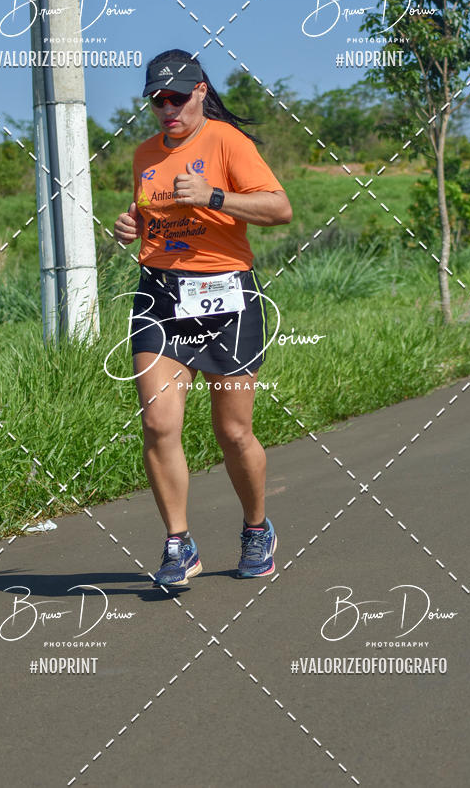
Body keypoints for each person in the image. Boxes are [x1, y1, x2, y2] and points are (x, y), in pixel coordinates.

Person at [114, 49, 292, 587]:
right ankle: (178, 543)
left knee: (233, 431)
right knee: (158, 421)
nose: (166, 108)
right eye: (156, 100)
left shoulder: (226, 141)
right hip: (160, 295)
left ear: (199, 90)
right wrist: (132, 227)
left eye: (175, 97)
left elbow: (279, 209)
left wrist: (216, 195)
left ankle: (257, 529)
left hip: (225, 295)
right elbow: (151, 215)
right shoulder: (146, 154)